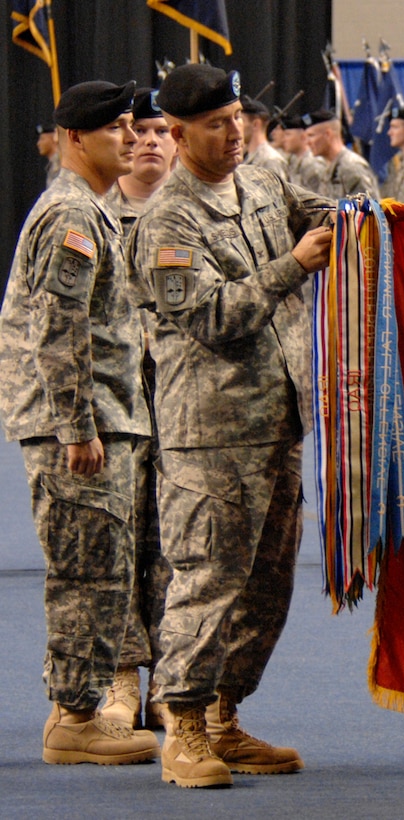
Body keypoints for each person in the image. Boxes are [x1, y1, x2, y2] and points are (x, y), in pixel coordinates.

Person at [126, 63, 334, 788]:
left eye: (238, 116)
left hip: (278, 422)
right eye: (216, 123)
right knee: (208, 579)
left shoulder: (262, 183)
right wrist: (291, 267)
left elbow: (325, 213)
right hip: (209, 434)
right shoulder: (168, 220)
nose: (235, 132)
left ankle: (223, 715)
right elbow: (210, 316)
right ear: (178, 135)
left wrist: (371, 218)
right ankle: (180, 726)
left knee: (268, 587)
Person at [0, 80, 159, 765]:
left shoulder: (84, 210)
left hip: (100, 419)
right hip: (81, 427)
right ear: (73, 138)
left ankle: (82, 707)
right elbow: (59, 328)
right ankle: (74, 716)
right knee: (87, 572)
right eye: (116, 127)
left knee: (102, 569)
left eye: (131, 125)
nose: (129, 138)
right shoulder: (70, 215)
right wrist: (76, 427)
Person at [101, 86, 177, 732]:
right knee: (119, 539)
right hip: (115, 408)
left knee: (181, 545)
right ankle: (123, 673)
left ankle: (171, 683)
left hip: (190, 408)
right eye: (139, 131)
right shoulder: (87, 215)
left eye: (161, 131)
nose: (149, 141)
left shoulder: (198, 216)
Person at [305, 108, 380, 199]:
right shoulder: (328, 167)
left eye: (311, 135)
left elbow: (367, 210)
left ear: (328, 134)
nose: (307, 142)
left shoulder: (350, 167)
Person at [241, 95, 289, 182]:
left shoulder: (270, 160)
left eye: (242, 121)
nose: (237, 127)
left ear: (256, 124)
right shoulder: (246, 157)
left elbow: (276, 194)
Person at [36, 122, 61, 186]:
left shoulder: (60, 164)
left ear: (53, 139)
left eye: (42, 139)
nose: (38, 144)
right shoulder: (52, 165)